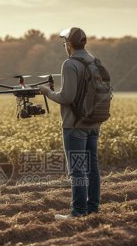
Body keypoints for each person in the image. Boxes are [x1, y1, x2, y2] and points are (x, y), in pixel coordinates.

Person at [37, 27, 101, 220]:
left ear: (69, 44)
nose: (65, 46)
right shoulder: (95, 62)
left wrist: (47, 92)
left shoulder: (70, 64)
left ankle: (78, 213)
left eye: (65, 42)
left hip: (74, 125)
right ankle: (93, 210)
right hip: (94, 123)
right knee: (93, 168)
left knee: (77, 171)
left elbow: (67, 97)